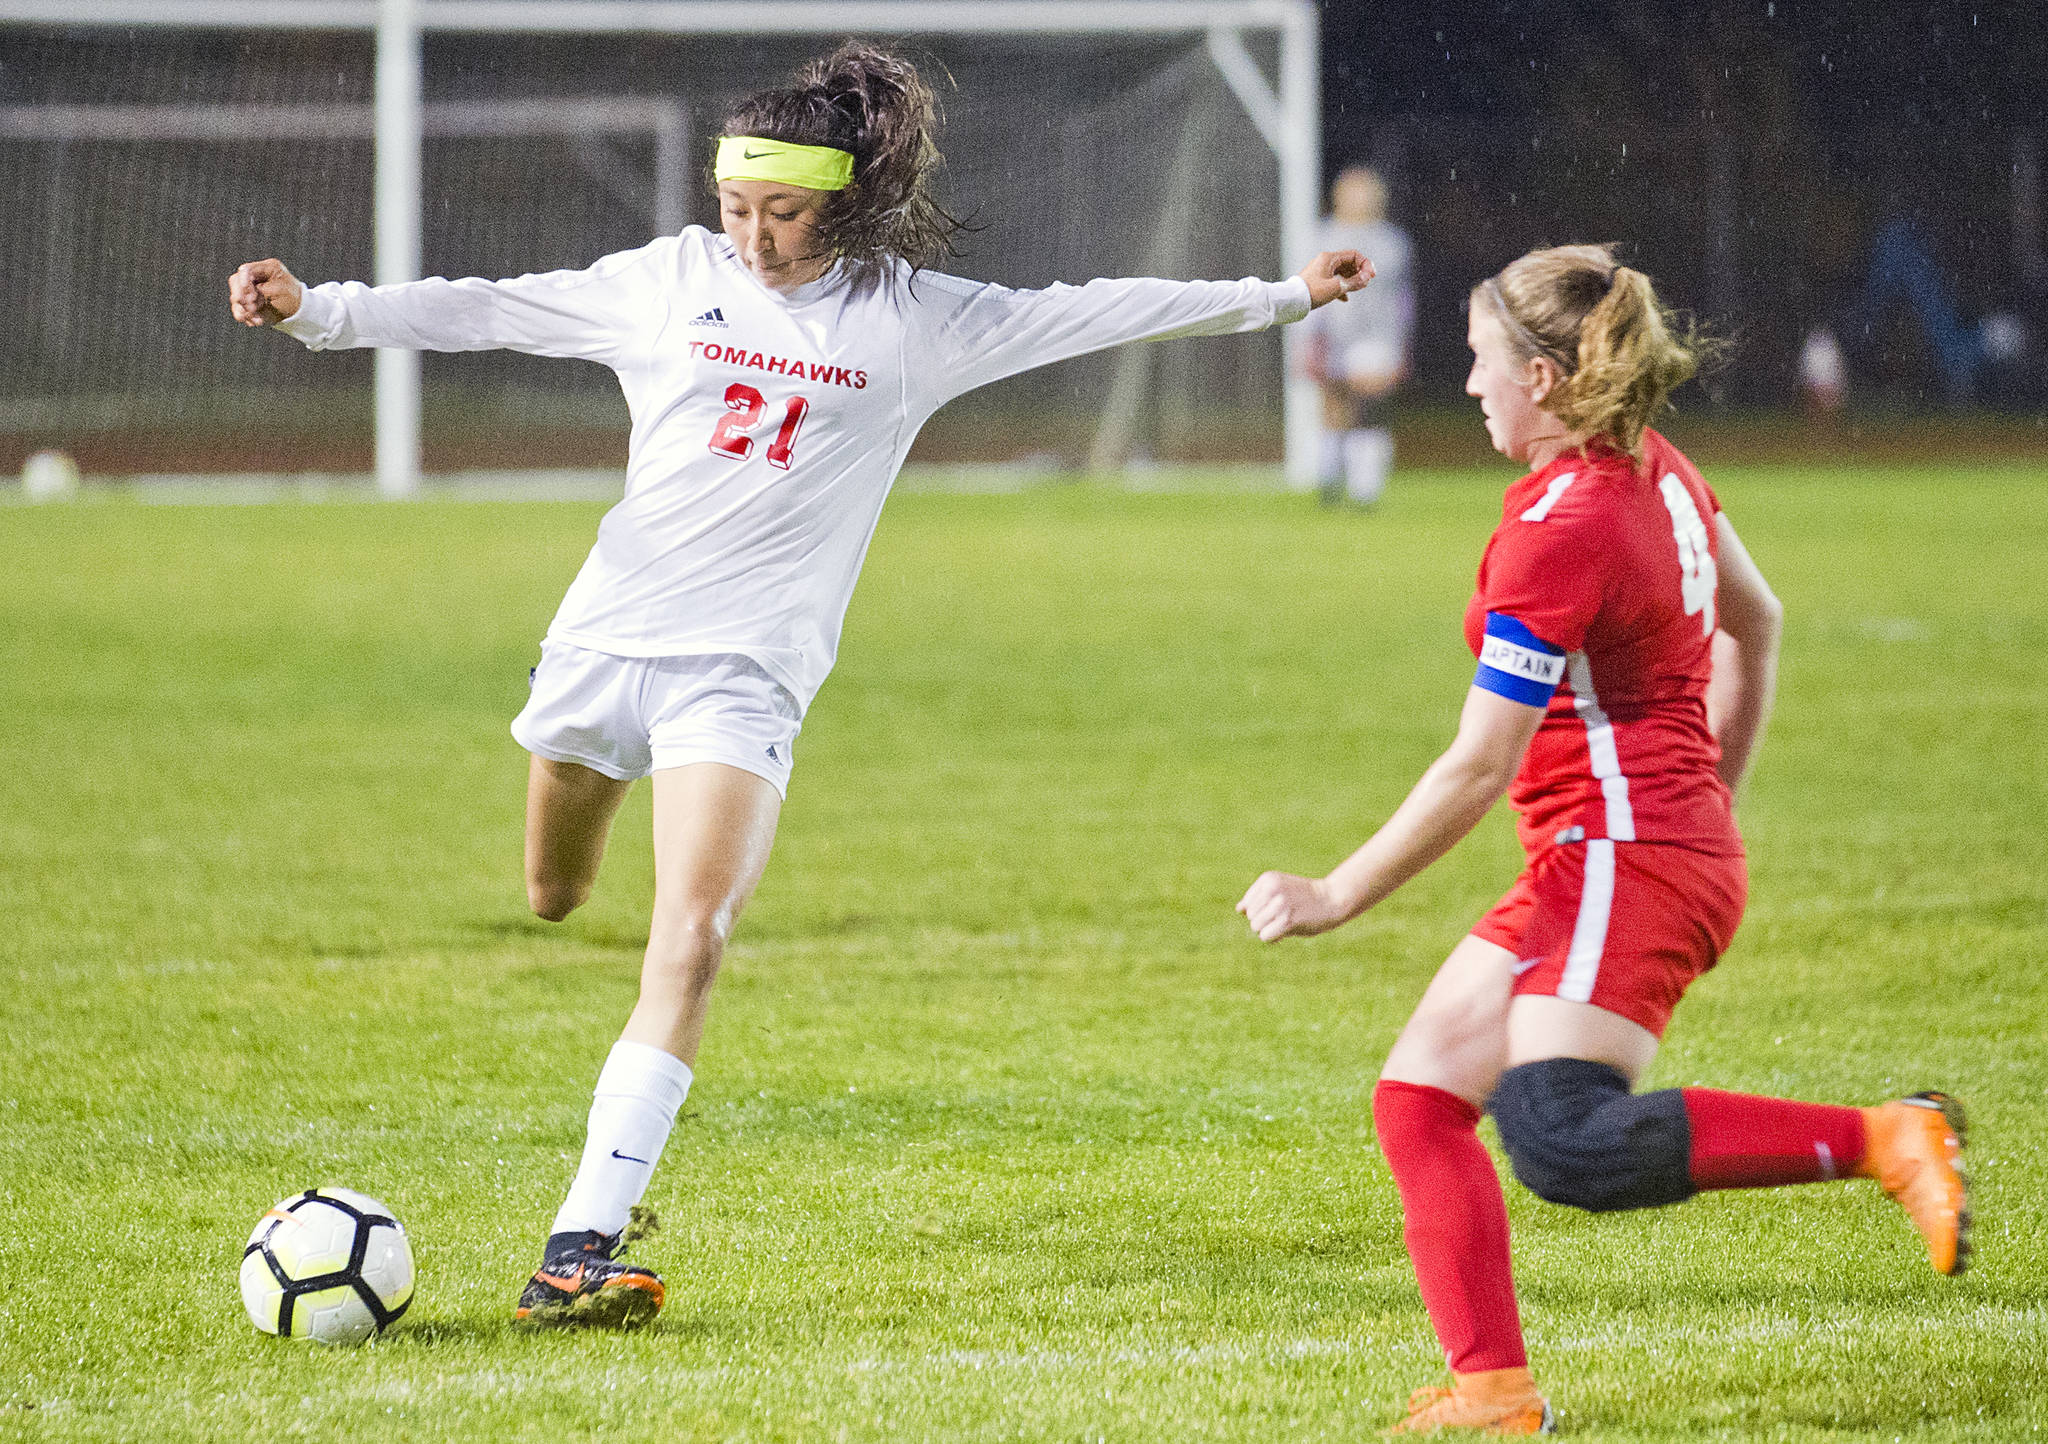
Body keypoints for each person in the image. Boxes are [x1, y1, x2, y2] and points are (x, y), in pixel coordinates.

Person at [229, 43, 1370, 1329]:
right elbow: (486, 306)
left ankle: (577, 1245)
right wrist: (318, 308)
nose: (755, 239)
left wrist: (1280, 295)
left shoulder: (911, 322)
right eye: (734, 209)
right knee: (554, 894)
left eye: (782, 213)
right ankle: (569, 924)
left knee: (694, 935)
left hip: (743, 678)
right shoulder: (664, 285)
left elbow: (1096, 306)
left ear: (843, 199)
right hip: (605, 644)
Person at [1237, 243, 1967, 1435]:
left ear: (1543, 375)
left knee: (1561, 1136)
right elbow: (1758, 621)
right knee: (1419, 1100)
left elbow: (1477, 762)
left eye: (1480, 363)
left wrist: (1336, 891)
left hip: (1626, 857)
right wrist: (1710, 797)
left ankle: (1886, 1137)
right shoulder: (1657, 472)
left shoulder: (1557, 532)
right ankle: (1491, 1392)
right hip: (1628, 847)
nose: (1465, 384)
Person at [1302, 164, 1413, 505]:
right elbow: (1306, 290)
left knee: (1371, 407)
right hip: (1332, 335)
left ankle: (1366, 489)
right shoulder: (1321, 239)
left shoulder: (1393, 243)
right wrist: (1309, 340)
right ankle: (1329, 481)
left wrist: (1402, 347)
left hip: (1377, 339)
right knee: (1334, 408)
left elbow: (1401, 299)